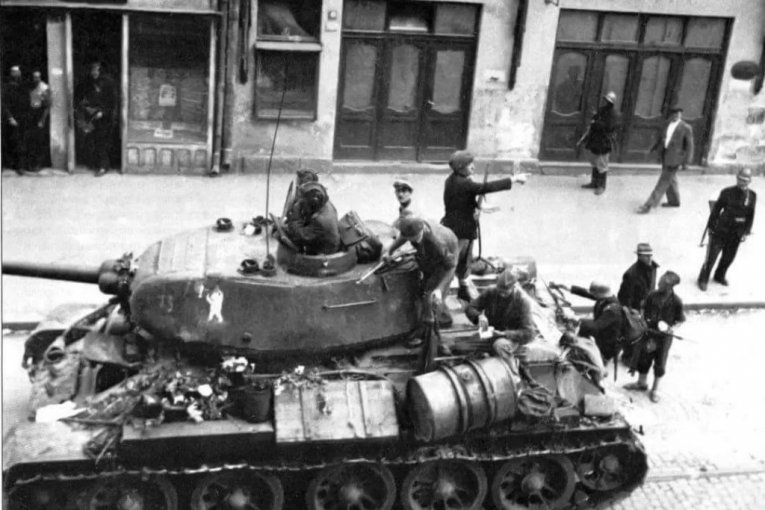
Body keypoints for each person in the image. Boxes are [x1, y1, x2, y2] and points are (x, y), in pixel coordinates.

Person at [441, 150, 527, 302]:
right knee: (452, 265)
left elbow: (462, 200)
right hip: (460, 233)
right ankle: (440, 298)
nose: (473, 167)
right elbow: (486, 187)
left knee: (464, 262)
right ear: (461, 168)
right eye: (470, 165)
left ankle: (463, 290)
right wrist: (514, 179)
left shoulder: (452, 180)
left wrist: (477, 207)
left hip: (458, 228)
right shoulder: (464, 183)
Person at [386, 216, 458, 330]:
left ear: (417, 234)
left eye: (411, 238)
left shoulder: (437, 243)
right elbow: (403, 237)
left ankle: (432, 326)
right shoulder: (413, 228)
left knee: (431, 296)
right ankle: (442, 318)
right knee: (424, 288)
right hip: (430, 255)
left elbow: (451, 267)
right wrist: (390, 251)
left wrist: (439, 289)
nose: (407, 239)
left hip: (447, 255)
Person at [624, 271, 685, 403]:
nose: (659, 284)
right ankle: (641, 383)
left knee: (660, 363)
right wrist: (642, 319)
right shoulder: (652, 295)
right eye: (660, 281)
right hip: (649, 333)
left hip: (664, 338)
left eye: (662, 283)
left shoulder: (676, 301)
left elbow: (680, 320)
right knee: (644, 359)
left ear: (670, 286)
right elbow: (643, 307)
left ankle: (655, 389)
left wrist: (671, 329)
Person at [697, 168, 757, 290]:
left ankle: (719, 275)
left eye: (745, 180)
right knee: (711, 257)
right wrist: (711, 226)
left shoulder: (752, 195)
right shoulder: (727, 192)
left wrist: (746, 231)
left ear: (750, 181)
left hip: (737, 232)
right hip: (722, 230)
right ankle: (703, 279)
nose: (742, 182)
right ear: (737, 178)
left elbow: (751, 214)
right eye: (740, 179)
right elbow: (716, 210)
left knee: (728, 257)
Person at [466, 269, 538, 361]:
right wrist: (479, 316)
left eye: (505, 292)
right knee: (462, 346)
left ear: (514, 287)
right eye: (500, 291)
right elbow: (470, 308)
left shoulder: (522, 301)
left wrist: (505, 334)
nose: (501, 294)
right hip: (489, 334)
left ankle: (511, 368)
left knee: (500, 345)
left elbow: (529, 333)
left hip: (510, 339)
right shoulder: (491, 292)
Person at [637, 106, 694, 213]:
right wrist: (652, 149)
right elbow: (661, 138)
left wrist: (686, 162)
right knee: (670, 179)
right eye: (674, 113)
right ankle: (674, 201)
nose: (676, 115)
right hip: (665, 155)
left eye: (678, 113)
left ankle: (648, 205)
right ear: (671, 114)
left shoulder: (686, 127)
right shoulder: (667, 124)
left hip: (675, 158)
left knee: (663, 181)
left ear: (681, 114)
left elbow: (690, 146)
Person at [554, 281, 622, 369]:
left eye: (595, 294)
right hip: (602, 334)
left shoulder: (612, 310)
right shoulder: (606, 296)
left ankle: (602, 363)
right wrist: (568, 288)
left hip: (607, 345)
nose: (593, 296)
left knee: (577, 359)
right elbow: (588, 293)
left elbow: (596, 327)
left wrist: (577, 320)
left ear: (599, 294)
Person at [617, 242, 658, 361]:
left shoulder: (653, 268)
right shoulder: (630, 274)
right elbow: (624, 296)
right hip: (635, 308)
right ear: (639, 256)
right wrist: (630, 311)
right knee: (633, 333)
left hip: (648, 306)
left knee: (648, 331)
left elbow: (652, 286)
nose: (649, 258)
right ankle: (628, 357)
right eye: (646, 256)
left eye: (650, 255)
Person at [77, 62, 117, 176]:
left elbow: (112, 102)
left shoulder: (108, 83)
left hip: (105, 119)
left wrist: (103, 112)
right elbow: (85, 98)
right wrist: (86, 108)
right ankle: (96, 164)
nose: (93, 72)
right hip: (92, 117)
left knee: (102, 142)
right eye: (92, 70)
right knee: (93, 141)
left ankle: (103, 167)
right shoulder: (89, 83)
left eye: (96, 70)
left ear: (100, 71)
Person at [579, 91, 621, 195]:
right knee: (594, 162)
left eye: (608, 100)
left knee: (602, 164)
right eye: (605, 100)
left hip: (605, 141)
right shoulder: (602, 110)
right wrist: (594, 120)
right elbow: (595, 119)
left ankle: (602, 186)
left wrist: (596, 123)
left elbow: (609, 127)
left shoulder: (614, 114)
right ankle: (594, 182)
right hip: (596, 139)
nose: (606, 102)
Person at [285, 181, 340, 255]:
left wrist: (295, 217)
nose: (300, 202)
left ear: (312, 203)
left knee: (292, 237)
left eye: (302, 201)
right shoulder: (323, 202)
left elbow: (298, 235)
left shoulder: (320, 221)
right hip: (324, 237)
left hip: (324, 250)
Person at [23, 70, 50, 172]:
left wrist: (42, 120)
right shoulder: (30, 88)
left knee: (39, 140)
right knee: (31, 141)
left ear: (40, 77)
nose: (35, 79)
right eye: (34, 77)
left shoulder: (44, 88)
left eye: (37, 77)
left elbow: (48, 106)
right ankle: (31, 164)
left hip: (40, 115)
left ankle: (39, 164)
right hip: (31, 116)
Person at [2, 65, 26, 174]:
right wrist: (10, 117)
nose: (17, 75)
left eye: (18, 73)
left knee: (20, 142)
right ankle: (11, 165)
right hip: (10, 119)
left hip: (21, 118)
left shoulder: (22, 87)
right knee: (11, 142)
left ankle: (20, 166)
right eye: (15, 73)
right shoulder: (6, 87)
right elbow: (3, 104)